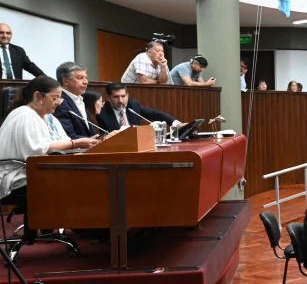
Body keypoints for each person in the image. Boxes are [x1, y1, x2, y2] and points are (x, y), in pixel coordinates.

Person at [0, 76, 100, 204]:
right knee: (78, 182)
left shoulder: (50, 117)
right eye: (54, 98)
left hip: (36, 171)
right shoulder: (25, 114)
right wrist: (75, 143)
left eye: (60, 98)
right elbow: (37, 151)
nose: (59, 102)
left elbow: (64, 142)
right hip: (17, 175)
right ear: (37, 96)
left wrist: (80, 145)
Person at [98, 83, 178, 132]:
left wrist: (177, 124)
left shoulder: (133, 105)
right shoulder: (102, 112)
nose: (120, 100)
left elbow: (157, 115)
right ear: (108, 98)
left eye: (123, 96)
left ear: (128, 96)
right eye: (116, 97)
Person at [53, 61, 95, 139]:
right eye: (80, 78)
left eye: (86, 77)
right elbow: (67, 136)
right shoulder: (59, 102)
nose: (86, 82)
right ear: (65, 81)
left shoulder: (79, 98)